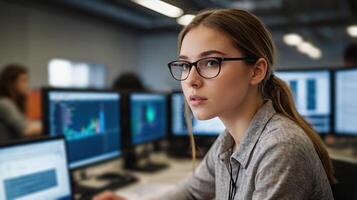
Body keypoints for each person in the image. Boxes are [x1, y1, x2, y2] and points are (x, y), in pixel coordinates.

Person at [93, 8, 335, 200]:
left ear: (256, 71)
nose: (191, 80)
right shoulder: (229, 141)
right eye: (186, 65)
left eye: (210, 62)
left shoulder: (280, 148)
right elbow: (191, 193)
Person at [0, 64, 42, 142]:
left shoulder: (14, 103)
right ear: (11, 83)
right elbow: (25, 130)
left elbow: (28, 123)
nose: (27, 85)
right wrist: (50, 123)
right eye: (23, 81)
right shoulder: (4, 103)